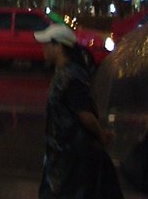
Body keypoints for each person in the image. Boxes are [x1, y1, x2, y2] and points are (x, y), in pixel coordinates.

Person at [34, 22, 123, 199]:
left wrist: (101, 135)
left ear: (58, 46)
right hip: (61, 154)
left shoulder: (72, 76)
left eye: (46, 44)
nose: (43, 48)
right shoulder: (64, 73)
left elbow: (85, 115)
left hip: (71, 157)